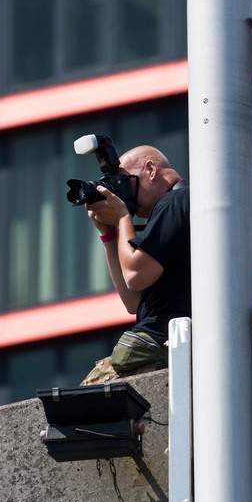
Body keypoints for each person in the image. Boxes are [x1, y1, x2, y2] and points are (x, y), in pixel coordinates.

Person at [80, 144, 190, 385]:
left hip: (160, 346)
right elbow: (133, 301)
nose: (122, 196)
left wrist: (122, 217)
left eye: (124, 183)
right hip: (163, 344)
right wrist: (109, 235)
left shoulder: (175, 201)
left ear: (150, 169)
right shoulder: (174, 206)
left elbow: (135, 274)